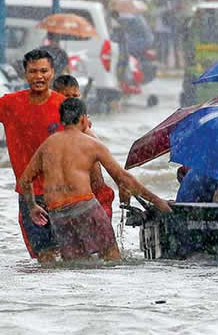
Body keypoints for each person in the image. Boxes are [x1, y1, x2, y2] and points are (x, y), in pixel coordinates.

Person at [18, 97, 172, 262]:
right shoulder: (92, 144)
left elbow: (24, 181)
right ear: (83, 118)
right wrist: (157, 201)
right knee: (112, 257)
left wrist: (32, 206)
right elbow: (123, 178)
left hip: (58, 214)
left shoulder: (47, 145)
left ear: (62, 120)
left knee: (75, 264)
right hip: (85, 207)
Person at [0, 49, 66, 262]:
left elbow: (83, 144)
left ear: (53, 72)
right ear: (25, 74)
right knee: (44, 258)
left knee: (68, 256)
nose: (39, 76)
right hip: (29, 195)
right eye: (33, 71)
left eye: (44, 71)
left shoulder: (64, 106)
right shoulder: (9, 104)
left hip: (62, 192)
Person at [52, 75, 120, 219]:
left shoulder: (83, 125)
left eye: (74, 96)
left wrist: (121, 181)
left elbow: (102, 154)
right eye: (66, 96)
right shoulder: (54, 126)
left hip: (96, 196)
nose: (71, 100)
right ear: (54, 97)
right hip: (74, 199)